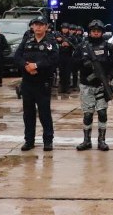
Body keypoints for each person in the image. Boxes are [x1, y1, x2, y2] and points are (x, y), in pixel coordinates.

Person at [14, 16, 58, 151]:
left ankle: (48, 140)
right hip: (27, 82)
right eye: (35, 25)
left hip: (43, 82)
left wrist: (37, 66)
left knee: (44, 113)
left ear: (46, 27)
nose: (38, 27)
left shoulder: (51, 42)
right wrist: (26, 66)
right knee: (28, 113)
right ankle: (29, 140)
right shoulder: (26, 41)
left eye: (41, 25)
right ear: (32, 27)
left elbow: (54, 60)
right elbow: (17, 56)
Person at [74, 20, 113, 151]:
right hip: (86, 85)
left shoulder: (108, 47)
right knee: (88, 114)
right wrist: (84, 63)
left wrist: (108, 77)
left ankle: (101, 140)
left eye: (98, 31)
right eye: (93, 31)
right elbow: (73, 63)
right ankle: (86, 140)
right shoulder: (82, 46)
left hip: (101, 84)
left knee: (102, 113)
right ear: (90, 32)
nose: (96, 33)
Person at [56, 23, 74, 94]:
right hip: (60, 56)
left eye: (66, 28)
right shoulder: (58, 36)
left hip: (69, 56)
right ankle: (61, 86)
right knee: (61, 72)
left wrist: (68, 45)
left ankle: (67, 87)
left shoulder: (72, 37)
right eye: (63, 28)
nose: (64, 30)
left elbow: (76, 46)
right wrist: (59, 41)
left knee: (67, 72)